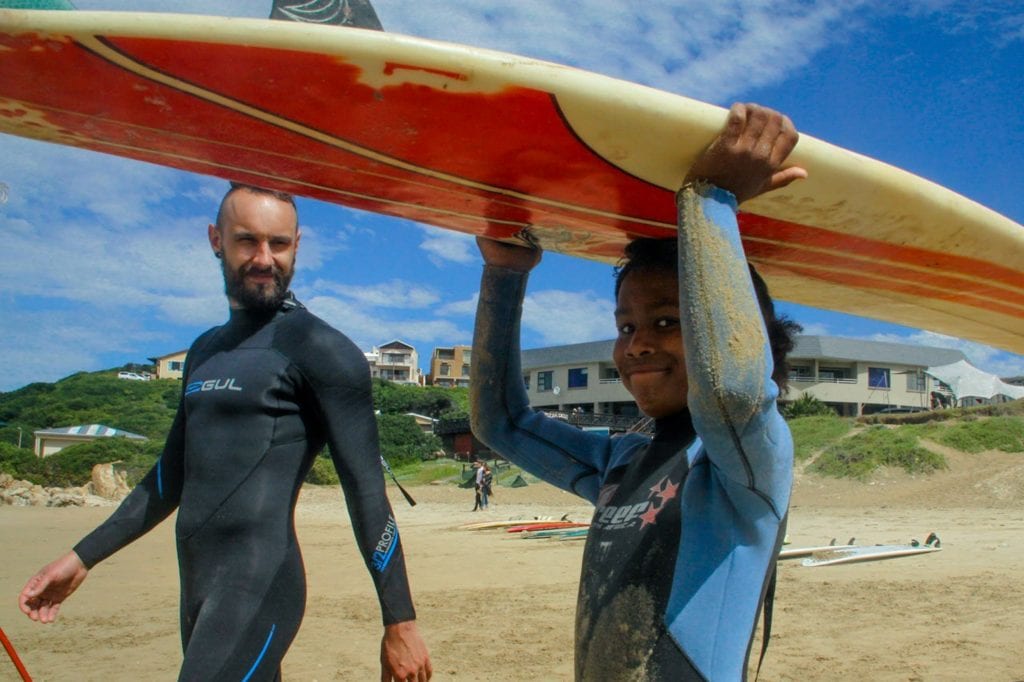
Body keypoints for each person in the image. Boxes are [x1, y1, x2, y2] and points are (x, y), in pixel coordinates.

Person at [19, 183, 432, 682]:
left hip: (261, 582)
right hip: (196, 586)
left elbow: (366, 491)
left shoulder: (322, 349)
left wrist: (400, 621)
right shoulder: (204, 351)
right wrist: (82, 558)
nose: (264, 258)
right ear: (216, 239)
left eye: (278, 244)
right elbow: (167, 481)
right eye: (247, 241)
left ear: (297, 245)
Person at [470, 103, 805, 681]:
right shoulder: (619, 461)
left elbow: (731, 389)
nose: (639, 345)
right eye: (626, 327)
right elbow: (499, 421)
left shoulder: (747, 461)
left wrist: (711, 200)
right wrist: (505, 273)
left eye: (669, 322)